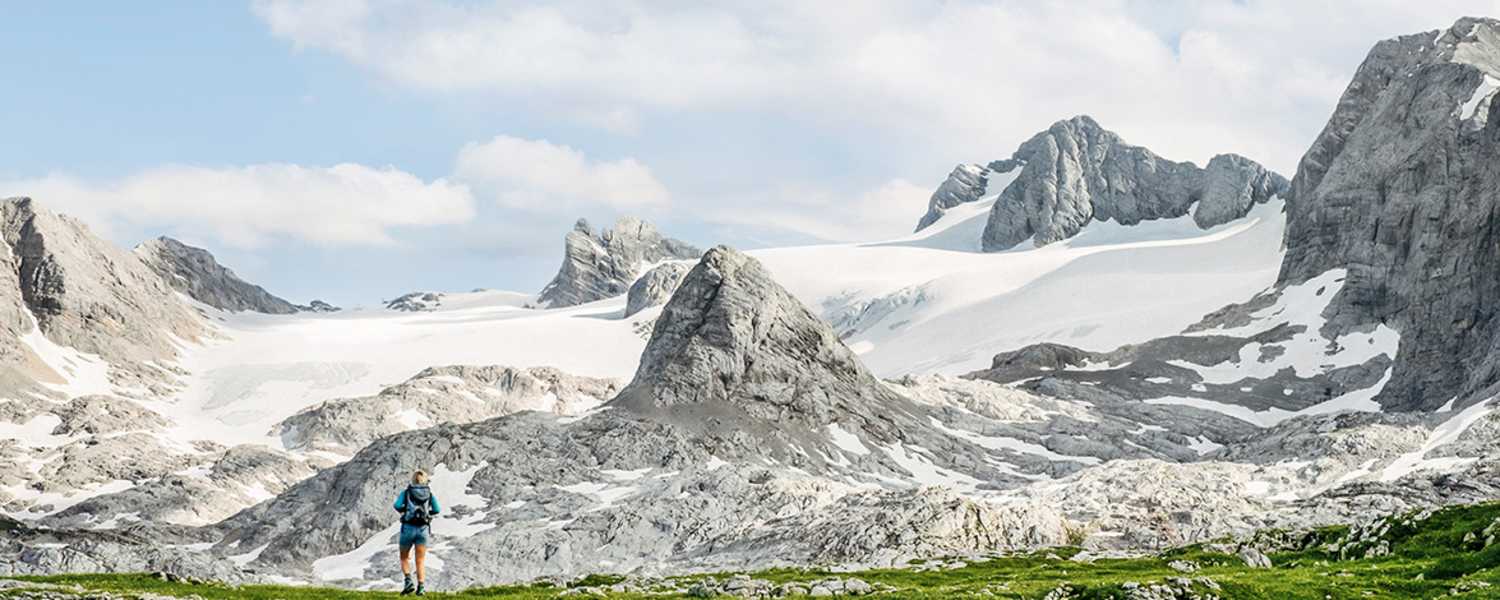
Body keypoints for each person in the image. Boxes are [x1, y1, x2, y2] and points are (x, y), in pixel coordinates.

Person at [394, 470, 441, 595]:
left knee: (404, 557)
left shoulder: (407, 492)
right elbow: (437, 509)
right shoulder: (429, 494)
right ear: (425, 480)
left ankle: (408, 581)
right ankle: (421, 588)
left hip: (408, 528)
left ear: (413, 480)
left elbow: (397, 505)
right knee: (420, 560)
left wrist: (405, 510)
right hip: (423, 529)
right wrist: (427, 514)